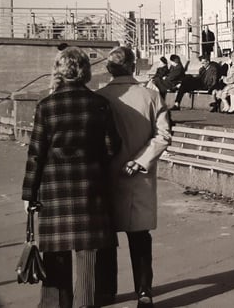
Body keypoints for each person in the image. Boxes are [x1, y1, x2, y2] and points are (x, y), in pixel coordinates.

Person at [21, 46, 121, 307]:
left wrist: (28, 193)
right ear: (85, 72)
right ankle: (85, 302)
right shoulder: (99, 104)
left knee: (56, 251)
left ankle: (56, 303)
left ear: (59, 71)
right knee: (87, 254)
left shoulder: (46, 106)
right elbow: (112, 146)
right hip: (90, 188)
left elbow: (36, 154)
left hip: (54, 190)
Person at [96, 46, 171, 307]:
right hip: (139, 177)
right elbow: (163, 136)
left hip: (105, 176)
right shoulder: (151, 97)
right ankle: (144, 291)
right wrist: (140, 161)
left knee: (105, 239)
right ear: (133, 66)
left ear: (109, 69)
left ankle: (106, 290)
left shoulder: (99, 97)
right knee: (140, 238)